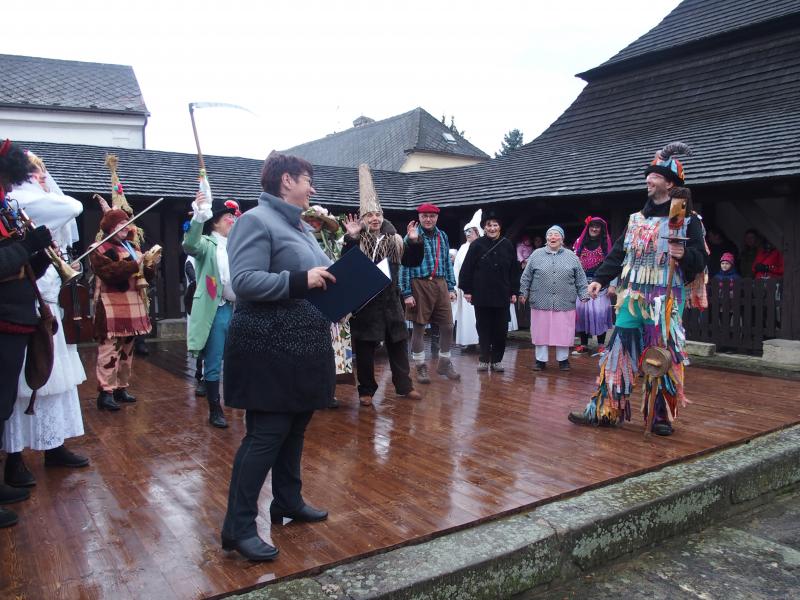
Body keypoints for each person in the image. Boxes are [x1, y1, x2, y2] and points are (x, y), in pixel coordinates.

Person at [220, 153, 332, 562]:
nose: (312, 189)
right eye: (307, 180)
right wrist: (301, 280)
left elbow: (322, 273)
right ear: (286, 181)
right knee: (266, 435)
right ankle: (237, 527)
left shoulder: (302, 227)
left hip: (302, 343)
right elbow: (244, 281)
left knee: (296, 427)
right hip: (267, 345)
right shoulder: (255, 221)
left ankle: (287, 500)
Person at [568, 143, 707, 436]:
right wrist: (600, 279)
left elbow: (701, 261)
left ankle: (659, 416)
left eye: (654, 176)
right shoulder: (635, 220)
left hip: (665, 299)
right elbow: (618, 253)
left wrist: (684, 254)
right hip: (632, 297)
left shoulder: (688, 221)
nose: (648, 180)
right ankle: (606, 410)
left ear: (670, 184)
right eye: (648, 175)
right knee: (617, 350)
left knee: (661, 356)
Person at [3, 151, 89, 489]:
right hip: (22, 309)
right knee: (20, 387)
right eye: (35, 173)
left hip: (45, 304)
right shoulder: (18, 200)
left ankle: (53, 444)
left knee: (54, 379)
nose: (42, 178)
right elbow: (72, 206)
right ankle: (14, 457)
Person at [0, 139, 53, 527]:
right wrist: (26, 247)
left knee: (2, 407)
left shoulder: (4, 206)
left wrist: (37, 256)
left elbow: (15, 265)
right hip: (3, 321)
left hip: (13, 319)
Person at [341, 164, 424, 407]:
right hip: (365, 304)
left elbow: (412, 261)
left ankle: (404, 386)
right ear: (363, 218)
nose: (375, 218)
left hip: (391, 302)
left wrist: (415, 242)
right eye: (369, 215)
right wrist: (352, 238)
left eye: (377, 214)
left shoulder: (395, 239)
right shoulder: (355, 239)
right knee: (366, 349)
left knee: (398, 344)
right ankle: (366, 390)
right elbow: (346, 265)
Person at [89, 209, 159, 411]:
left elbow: (145, 276)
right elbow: (108, 273)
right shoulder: (98, 248)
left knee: (127, 351)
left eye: (127, 224)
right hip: (111, 305)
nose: (126, 228)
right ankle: (106, 392)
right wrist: (134, 264)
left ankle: (121, 387)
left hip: (133, 304)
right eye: (121, 224)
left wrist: (150, 265)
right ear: (110, 227)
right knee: (109, 351)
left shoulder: (133, 247)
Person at [183, 192, 240, 428]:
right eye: (228, 217)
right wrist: (199, 216)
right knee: (214, 359)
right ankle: (215, 409)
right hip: (217, 309)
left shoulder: (238, 244)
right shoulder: (207, 243)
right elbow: (190, 245)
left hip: (238, 309)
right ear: (215, 222)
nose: (233, 220)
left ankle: (238, 399)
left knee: (239, 357)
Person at [399, 202, 460, 383]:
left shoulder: (442, 235)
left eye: (431, 216)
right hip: (419, 283)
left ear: (436, 218)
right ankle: (420, 366)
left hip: (440, 283)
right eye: (424, 216)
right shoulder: (411, 237)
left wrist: (451, 287)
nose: (428, 219)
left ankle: (444, 363)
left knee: (448, 325)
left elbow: (447, 262)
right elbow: (404, 266)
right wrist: (407, 293)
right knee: (419, 327)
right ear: (419, 217)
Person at [301, 203, 352, 409]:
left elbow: (343, 267)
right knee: (308, 347)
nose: (314, 223)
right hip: (307, 299)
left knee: (332, 348)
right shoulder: (300, 243)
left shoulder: (333, 244)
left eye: (317, 220)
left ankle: (327, 392)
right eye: (310, 220)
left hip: (331, 298)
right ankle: (307, 391)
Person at [519, 225, 589, 371]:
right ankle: (540, 360)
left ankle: (563, 360)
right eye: (550, 234)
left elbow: (581, 278)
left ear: (562, 239)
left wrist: (584, 295)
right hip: (540, 300)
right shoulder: (536, 254)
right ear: (546, 238)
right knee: (541, 331)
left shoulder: (571, 256)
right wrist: (523, 293)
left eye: (556, 235)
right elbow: (526, 276)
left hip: (564, 301)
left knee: (563, 331)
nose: (553, 237)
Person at [458, 209, 520, 372]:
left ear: (500, 227)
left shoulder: (507, 244)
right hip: (482, 294)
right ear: (484, 227)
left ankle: (497, 360)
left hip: (502, 294)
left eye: (495, 225)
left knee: (501, 330)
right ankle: (484, 359)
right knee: (483, 328)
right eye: (489, 225)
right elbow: (467, 269)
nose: (492, 228)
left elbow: (513, 270)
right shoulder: (476, 245)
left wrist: (514, 291)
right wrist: (467, 290)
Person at [572, 216, 616, 355]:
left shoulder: (607, 244)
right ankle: (583, 344)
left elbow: (614, 264)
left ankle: (601, 345)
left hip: (601, 285)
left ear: (602, 229)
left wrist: (613, 285)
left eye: (598, 227)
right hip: (582, 285)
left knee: (599, 314)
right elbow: (573, 263)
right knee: (582, 314)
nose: (595, 229)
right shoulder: (579, 243)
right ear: (588, 227)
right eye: (592, 226)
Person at [452, 210, 482, 348]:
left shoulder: (482, 246)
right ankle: (470, 342)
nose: (468, 234)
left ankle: (483, 341)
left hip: (480, 288)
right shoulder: (463, 248)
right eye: (466, 232)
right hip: (465, 288)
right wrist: (456, 287)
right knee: (467, 316)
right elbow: (457, 268)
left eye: (470, 231)